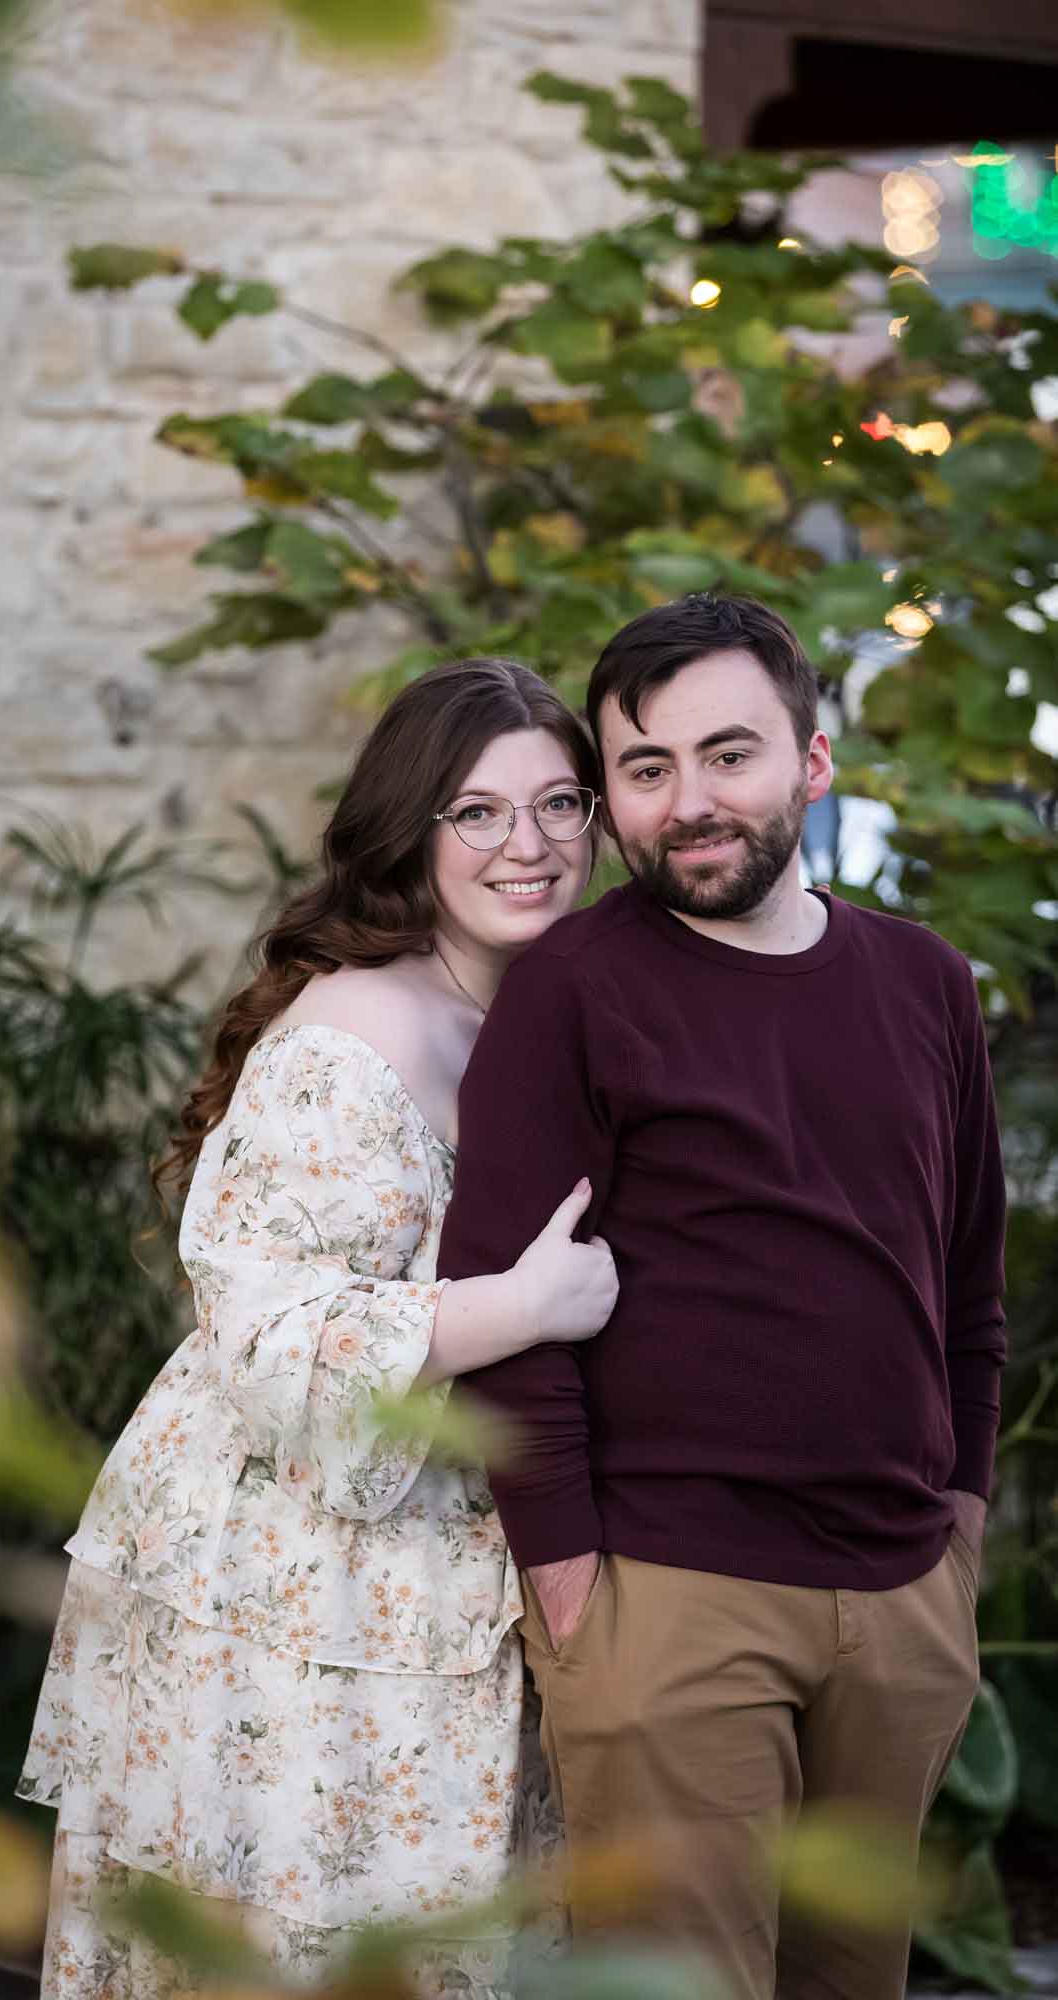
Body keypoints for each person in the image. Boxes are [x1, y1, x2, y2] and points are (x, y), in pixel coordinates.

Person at [17, 657, 618, 2000]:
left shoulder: (540, 1007)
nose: (528, 846)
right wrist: (517, 1308)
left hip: (464, 1564)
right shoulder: (355, 1035)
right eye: (476, 812)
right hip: (300, 1587)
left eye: (559, 803)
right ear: (412, 830)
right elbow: (268, 1334)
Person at [438, 595, 1006, 2000]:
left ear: (811, 763)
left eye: (727, 755)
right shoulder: (573, 985)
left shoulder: (923, 983)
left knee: (850, 1977)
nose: (688, 803)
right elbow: (503, 1292)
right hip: (670, 1592)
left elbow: (965, 1279)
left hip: (899, 1590)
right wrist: (567, 1576)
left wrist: (961, 1530)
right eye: (645, 769)